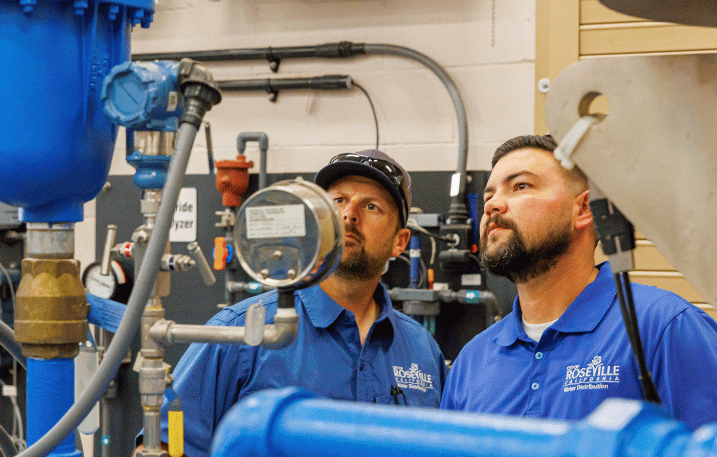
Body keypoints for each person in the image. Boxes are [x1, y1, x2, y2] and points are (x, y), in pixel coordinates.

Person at [163, 149, 445, 456]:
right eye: (337, 201)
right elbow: (171, 438)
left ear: (399, 242)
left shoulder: (422, 350)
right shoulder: (238, 333)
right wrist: (170, 447)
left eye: (372, 206)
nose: (350, 214)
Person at [439, 135, 717, 427]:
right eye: (489, 195)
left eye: (521, 186)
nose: (493, 206)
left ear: (584, 209)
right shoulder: (471, 362)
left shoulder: (663, 327)